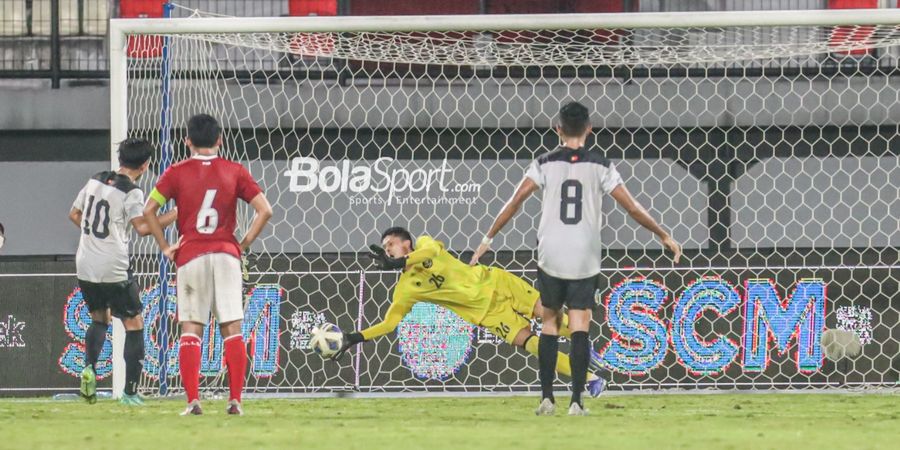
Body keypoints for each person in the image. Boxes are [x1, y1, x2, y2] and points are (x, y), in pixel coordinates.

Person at [470, 101, 682, 416]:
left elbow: (515, 201)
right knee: (580, 324)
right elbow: (633, 208)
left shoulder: (543, 163)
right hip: (584, 253)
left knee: (550, 323)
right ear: (589, 129)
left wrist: (487, 239)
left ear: (558, 129)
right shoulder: (601, 166)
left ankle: (546, 399)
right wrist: (663, 235)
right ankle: (576, 402)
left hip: (550, 252)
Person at [333, 227, 606, 397]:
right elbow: (389, 323)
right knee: (533, 345)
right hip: (487, 315)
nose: (387, 250)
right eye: (385, 249)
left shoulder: (426, 243)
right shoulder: (406, 289)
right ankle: (591, 379)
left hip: (496, 283)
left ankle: (581, 343)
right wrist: (352, 338)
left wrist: (400, 262)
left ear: (406, 243)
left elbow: (427, 253)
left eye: (389, 244)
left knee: (550, 318)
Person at [143, 114, 273, 416]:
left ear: (187, 140)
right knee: (232, 327)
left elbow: (149, 210)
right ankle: (235, 401)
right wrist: (242, 245)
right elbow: (265, 210)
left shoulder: (175, 172)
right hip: (227, 254)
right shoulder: (235, 171)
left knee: (191, 327)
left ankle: (193, 401)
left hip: (190, 254)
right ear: (219, 140)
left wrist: (164, 247)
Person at [69, 137, 177, 405]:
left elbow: (74, 214)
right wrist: (177, 212)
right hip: (113, 266)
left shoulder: (95, 179)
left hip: (85, 262)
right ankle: (130, 392)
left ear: (120, 158)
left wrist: (95, 237)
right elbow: (142, 228)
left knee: (99, 319)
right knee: (134, 323)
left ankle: (89, 370)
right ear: (144, 165)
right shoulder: (132, 191)